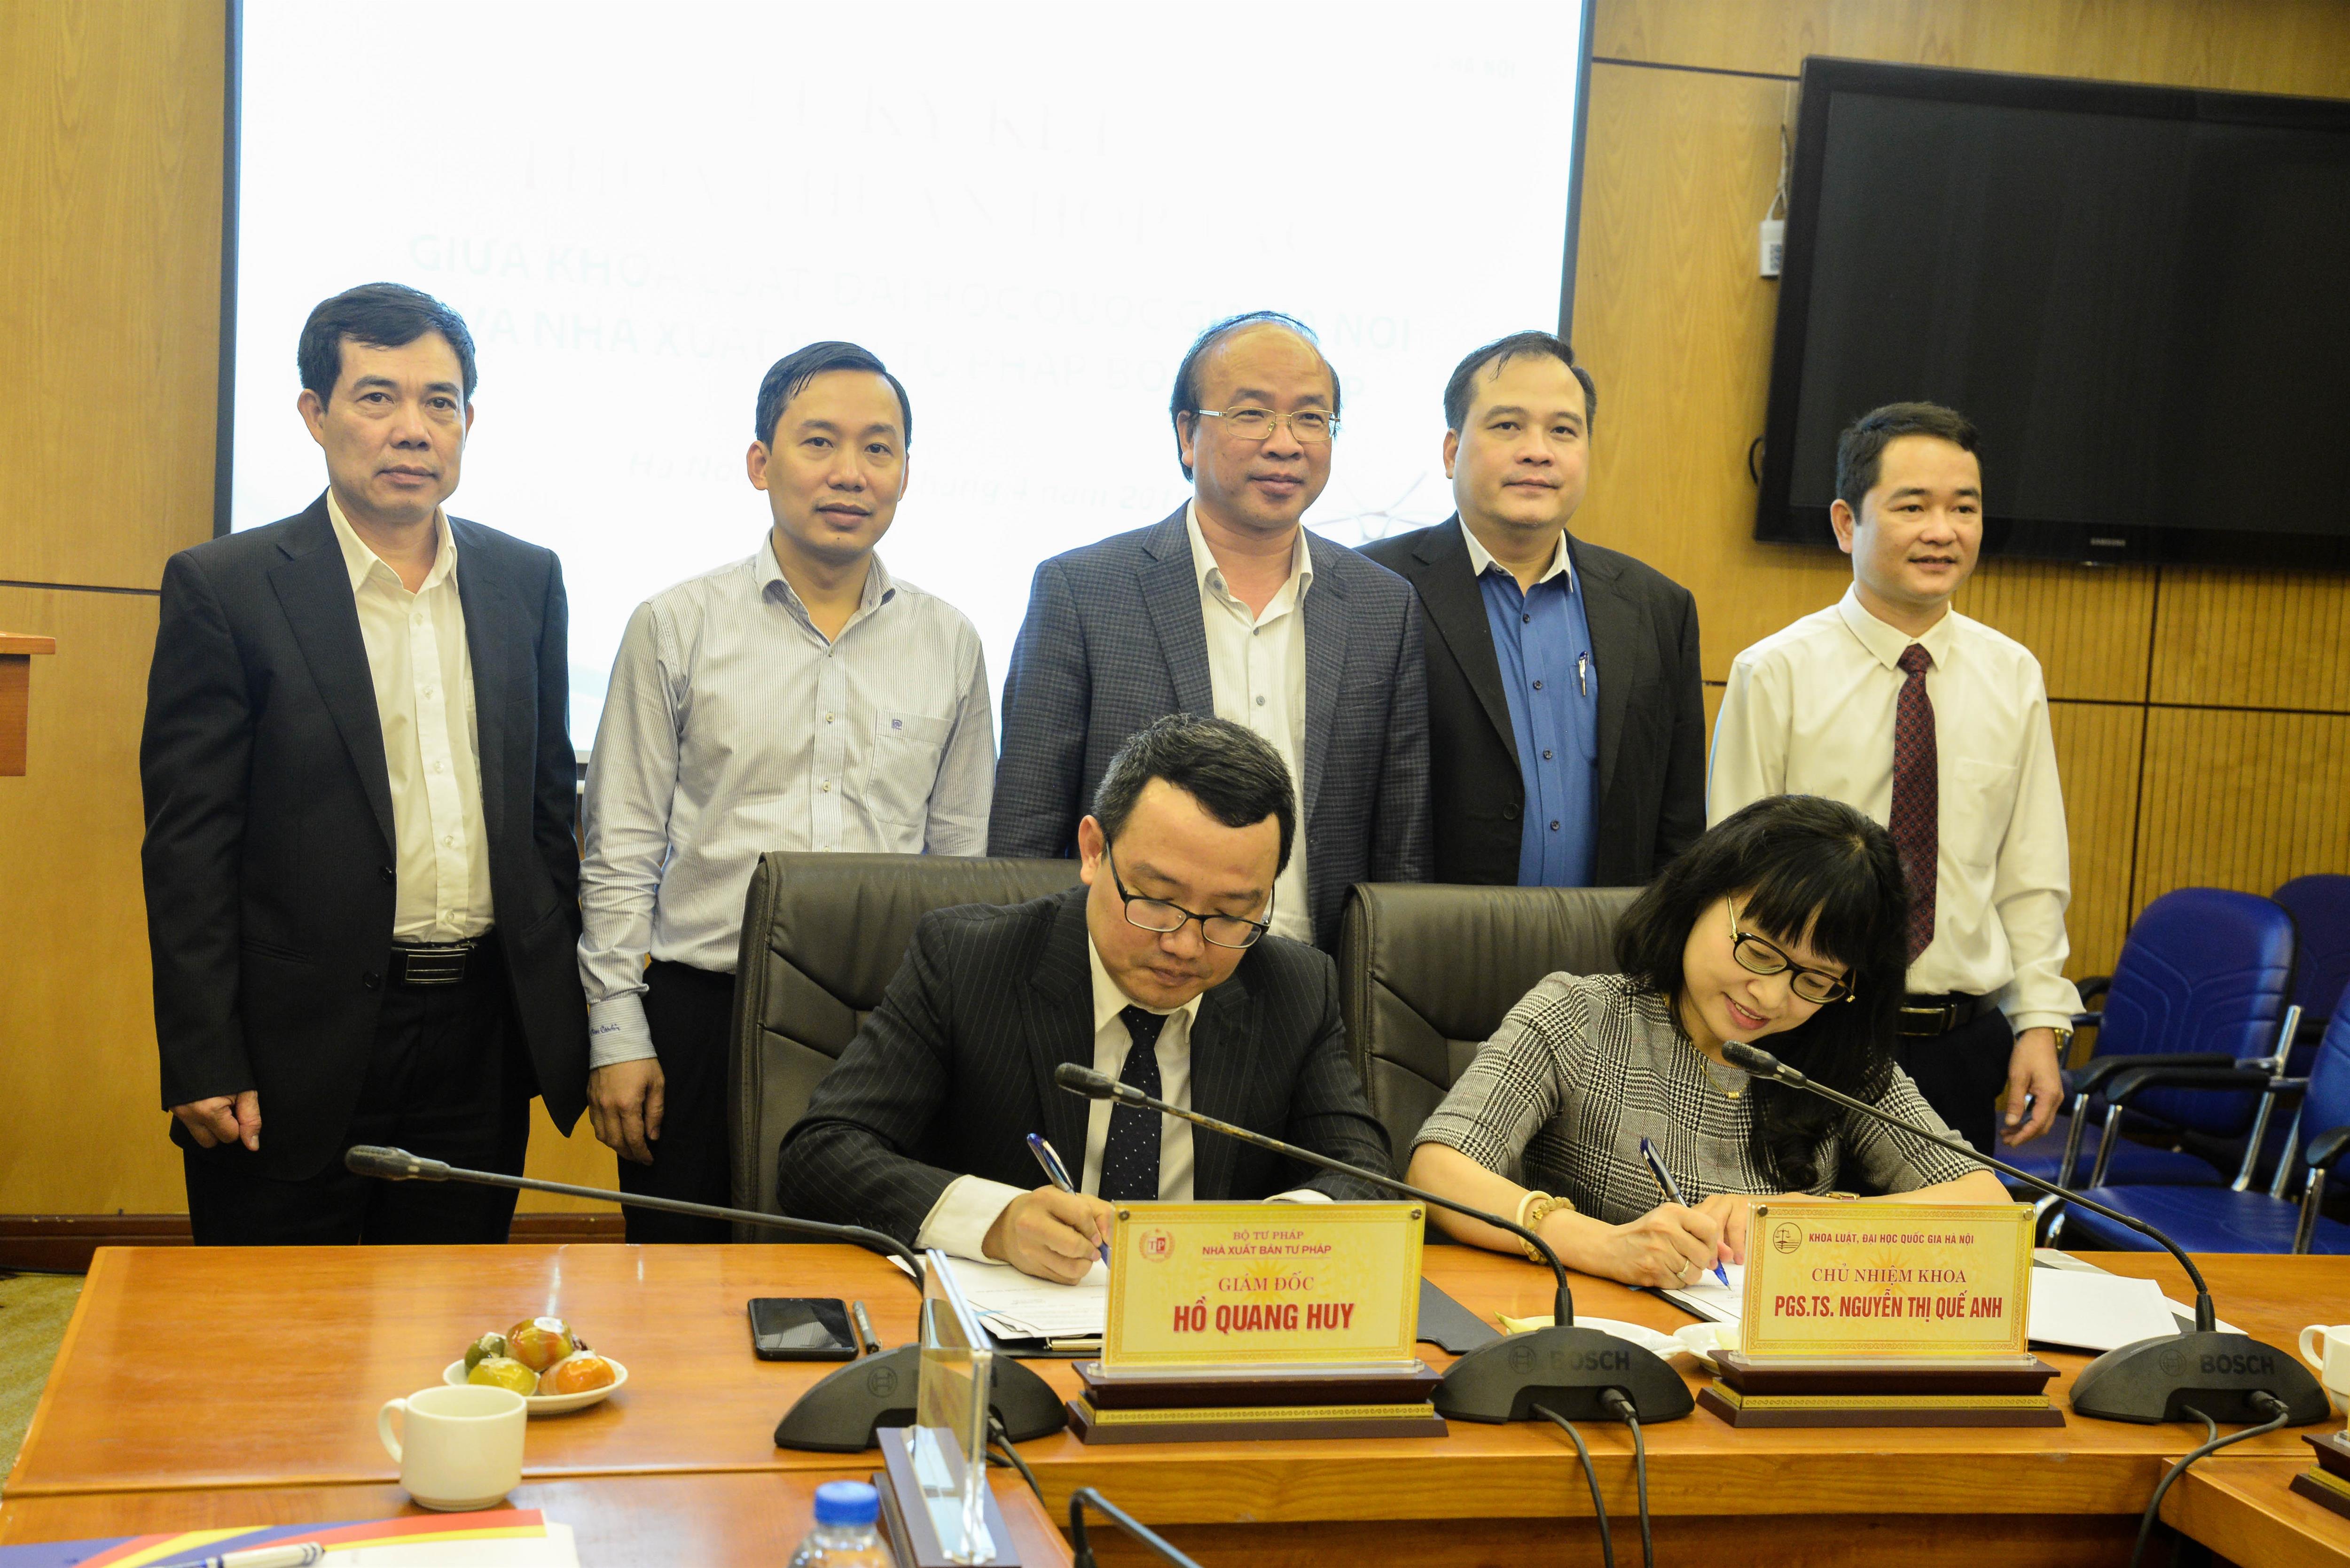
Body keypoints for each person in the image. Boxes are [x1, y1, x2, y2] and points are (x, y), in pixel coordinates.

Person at [141, 282, 586, 1243]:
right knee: (278, 1323)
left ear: (468, 422)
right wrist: (203, 1052)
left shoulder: (526, 581)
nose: (412, 429)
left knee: (451, 1319)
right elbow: (188, 850)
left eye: (440, 401)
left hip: (479, 1037)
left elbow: (549, 816)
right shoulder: (228, 589)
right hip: (291, 1045)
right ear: (316, 414)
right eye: (378, 397)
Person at [578, 342, 994, 1242]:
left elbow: (962, 868)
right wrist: (617, 1034)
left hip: (890, 1024)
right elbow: (620, 851)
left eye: (878, 448)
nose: (850, 472)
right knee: (683, 1285)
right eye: (819, 442)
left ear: (906, 472)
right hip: (703, 1014)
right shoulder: (674, 625)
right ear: (761, 463)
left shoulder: (951, 641)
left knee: (869, 1270)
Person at [778, 713, 1393, 1283]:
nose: (1184, 945)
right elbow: (821, 1154)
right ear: (1095, 851)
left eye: (1232, 913)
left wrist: (1261, 1241)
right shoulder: (968, 961)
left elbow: (1364, 1175)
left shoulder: (1294, 988)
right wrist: (998, 1222)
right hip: (1011, 1330)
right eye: (1158, 899)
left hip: (1206, 1323)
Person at [1406, 796, 2006, 1288]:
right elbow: (1439, 1169)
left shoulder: (1832, 1058)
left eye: (1815, 980)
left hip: (1765, 1364)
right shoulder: (1581, 1016)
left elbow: (1988, 1205)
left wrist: (1817, 1219)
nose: (1770, 996)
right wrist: (1603, 1245)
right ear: (1700, 894)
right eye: (1759, 951)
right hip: (1602, 1346)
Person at [987, 311, 1428, 950]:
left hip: (1316, 974)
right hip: (1140, 961)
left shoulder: (1382, 606)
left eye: (1311, 417)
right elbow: (1025, 835)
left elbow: (1401, 849)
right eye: (1252, 414)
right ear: (1187, 434)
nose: (1286, 442)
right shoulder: (1082, 592)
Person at [1708, 402, 2077, 1158]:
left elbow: (2030, 873)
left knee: (1946, 1237)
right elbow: (1733, 875)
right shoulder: (1775, 672)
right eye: (1913, 507)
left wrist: (2040, 1021)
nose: (1942, 531)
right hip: (1808, 1034)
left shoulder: (2013, 674)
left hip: (1958, 1045)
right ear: (1847, 523)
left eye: (1964, 508)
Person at [1362, 332, 1704, 887]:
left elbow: (1678, 827)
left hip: (1608, 937)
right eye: (1507, 426)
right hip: (1421, 934)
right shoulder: (1370, 588)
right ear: (1451, 452)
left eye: (1563, 431)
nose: (1537, 451)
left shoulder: (1657, 607)